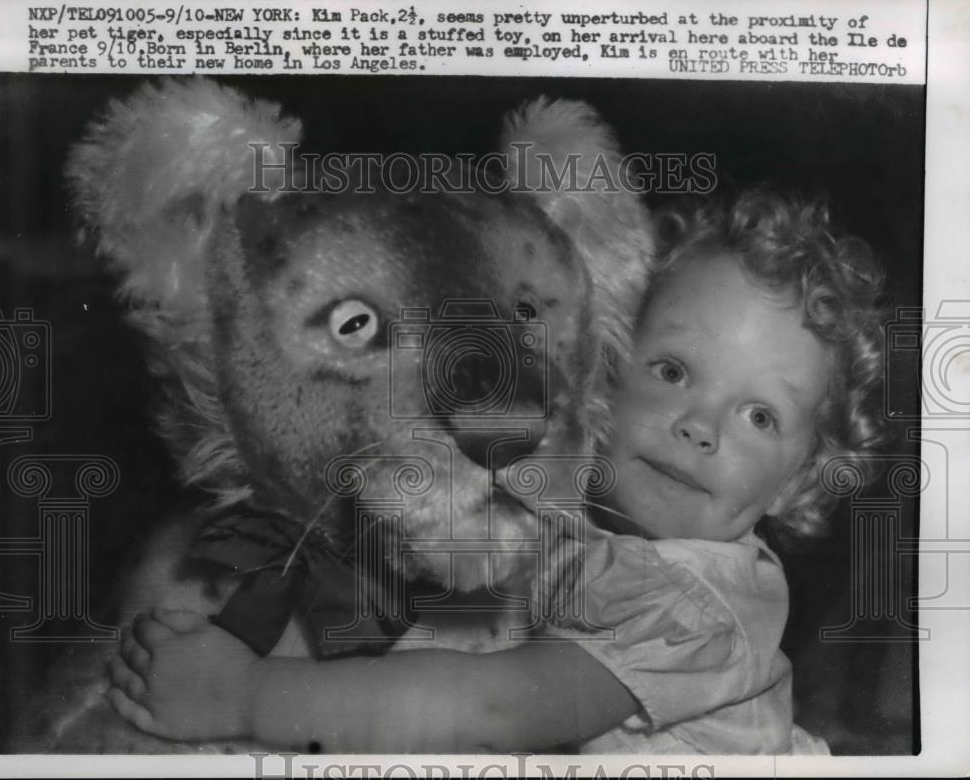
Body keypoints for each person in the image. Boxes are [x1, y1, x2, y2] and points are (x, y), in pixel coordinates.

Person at [108, 189, 890, 754]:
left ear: (798, 482)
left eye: (760, 416)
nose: (701, 425)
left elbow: (491, 709)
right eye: (674, 370)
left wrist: (248, 696)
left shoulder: (696, 603)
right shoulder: (581, 508)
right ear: (603, 366)